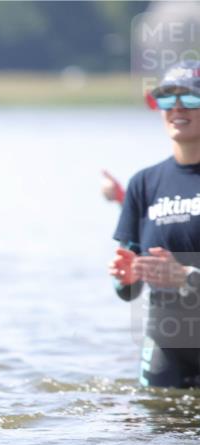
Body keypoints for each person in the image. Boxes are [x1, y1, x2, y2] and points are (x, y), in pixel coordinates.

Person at [110, 61, 200, 388]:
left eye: (190, 98)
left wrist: (188, 277)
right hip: (166, 344)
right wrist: (127, 277)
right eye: (167, 99)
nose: (177, 108)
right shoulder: (144, 184)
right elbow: (127, 289)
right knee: (149, 420)